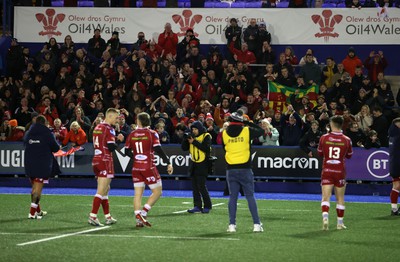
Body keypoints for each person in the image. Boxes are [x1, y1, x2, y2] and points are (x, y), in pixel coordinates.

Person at [125, 112, 173, 227]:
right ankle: (144, 212)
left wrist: (136, 157)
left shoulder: (132, 134)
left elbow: (126, 152)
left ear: (139, 121)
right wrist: (168, 162)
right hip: (148, 167)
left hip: (136, 167)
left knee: (138, 194)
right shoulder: (152, 133)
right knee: (157, 191)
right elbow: (159, 150)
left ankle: (138, 218)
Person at [222, 110, 264, 233]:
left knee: (233, 198)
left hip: (231, 169)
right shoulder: (246, 130)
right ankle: (256, 224)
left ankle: (232, 225)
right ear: (241, 121)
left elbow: (225, 149)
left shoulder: (224, 133)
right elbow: (261, 131)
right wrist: (249, 123)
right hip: (245, 168)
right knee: (250, 196)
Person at [88, 108, 124, 226]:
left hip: (96, 160)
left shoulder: (97, 127)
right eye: (116, 117)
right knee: (101, 190)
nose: (117, 120)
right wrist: (118, 141)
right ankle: (93, 215)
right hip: (105, 160)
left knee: (106, 189)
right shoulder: (109, 129)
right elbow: (111, 147)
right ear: (109, 116)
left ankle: (108, 216)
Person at [317, 115, 353, 230]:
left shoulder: (324, 137)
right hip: (340, 171)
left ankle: (325, 217)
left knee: (325, 197)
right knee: (340, 198)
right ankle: (340, 223)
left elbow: (320, 153)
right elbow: (349, 155)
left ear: (332, 124)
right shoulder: (347, 140)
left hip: (327, 170)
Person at [24, 115, 60, 219]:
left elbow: (25, 142)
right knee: (37, 190)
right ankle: (31, 213)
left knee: (34, 188)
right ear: (44, 123)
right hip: (42, 164)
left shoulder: (28, 133)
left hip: (29, 164)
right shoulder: (48, 133)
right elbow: (55, 148)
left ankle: (37, 211)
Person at [181, 121, 213, 213]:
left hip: (204, 163)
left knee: (201, 186)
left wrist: (194, 142)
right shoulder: (191, 137)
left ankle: (207, 205)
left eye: (195, 129)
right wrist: (185, 139)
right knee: (194, 186)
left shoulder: (206, 136)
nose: (194, 131)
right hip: (194, 163)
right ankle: (197, 206)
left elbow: (206, 148)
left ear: (199, 129)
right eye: (193, 129)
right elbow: (184, 148)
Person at [389, 118, 400, 215]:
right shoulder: (397, 135)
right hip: (398, 163)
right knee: (396, 186)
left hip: (393, 163)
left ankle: (394, 209)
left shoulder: (392, 134)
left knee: (396, 186)